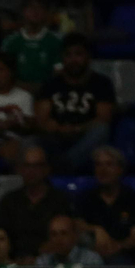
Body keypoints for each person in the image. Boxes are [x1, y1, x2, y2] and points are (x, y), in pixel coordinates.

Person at [33, 34, 115, 173]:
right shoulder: (50, 84)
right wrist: (58, 129)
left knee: (102, 131)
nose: (73, 60)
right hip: (56, 138)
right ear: (62, 58)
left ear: (88, 57)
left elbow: (104, 118)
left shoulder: (102, 83)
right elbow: (42, 120)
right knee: (29, 142)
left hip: (86, 137)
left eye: (78, 54)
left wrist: (78, 129)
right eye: (68, 55)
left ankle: (63, 167)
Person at [0, 144, 70, 259]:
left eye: (37, 166)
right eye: (27, 166)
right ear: (19, 169)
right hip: (15, 262)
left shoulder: (60, 200)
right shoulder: (9, 201)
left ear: (46, 169)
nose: (31, 171)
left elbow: (66, 236)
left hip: (51, 262)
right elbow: (1, 236)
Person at [79, 147, 135, 264]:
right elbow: (76, 224)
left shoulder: (133, 198)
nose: (102, 170)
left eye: (109, 164)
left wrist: (117, 247)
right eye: (98, 165)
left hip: (123, 254)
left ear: (120, 169)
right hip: (91, 254)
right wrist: (96, 229)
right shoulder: (86, 197)